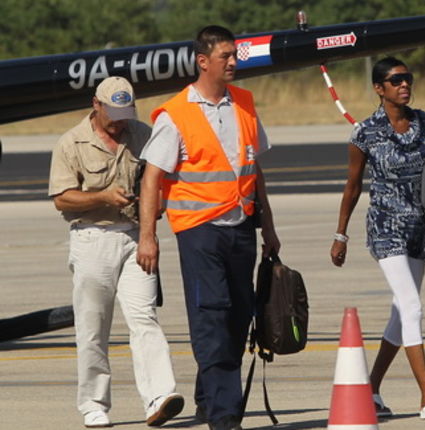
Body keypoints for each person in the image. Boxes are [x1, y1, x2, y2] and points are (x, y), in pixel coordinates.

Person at [136, 25, 280, 430]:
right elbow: (152, 178)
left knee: (238, 316)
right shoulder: (176, 114)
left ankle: (208, 397)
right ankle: (224, 416)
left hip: (241, 228)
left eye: (235, 55)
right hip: (200, 231)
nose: (234, 62)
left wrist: (268, 226)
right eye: (226, 57)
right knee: (211, 317)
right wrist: (148, 236)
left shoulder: (246, 105)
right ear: (203, 62)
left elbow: (256, 171)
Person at [48, 76, 184, 428]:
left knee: (144, 318)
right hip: (93, 238)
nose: (121, 120)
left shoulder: (143, 134)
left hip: (137, 237)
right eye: (113, 112)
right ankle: (94, 403)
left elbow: (162, 179)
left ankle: (159, 396)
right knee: (93, 326)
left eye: (126, 112)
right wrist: (103, 197)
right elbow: (62, 198)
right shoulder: (71, 142)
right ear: (96, 104)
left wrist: (154, 216)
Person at [330, 57, 425, 421]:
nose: (404, 84)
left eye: (408, 78)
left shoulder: (423, 122)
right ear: (378, 88)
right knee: (412, 305)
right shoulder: (364, 134)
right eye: (396, 80)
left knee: (402, 313)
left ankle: (370, 389)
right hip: (386, 228)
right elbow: (353, 186)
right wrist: (341, 234)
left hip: (421, 227)